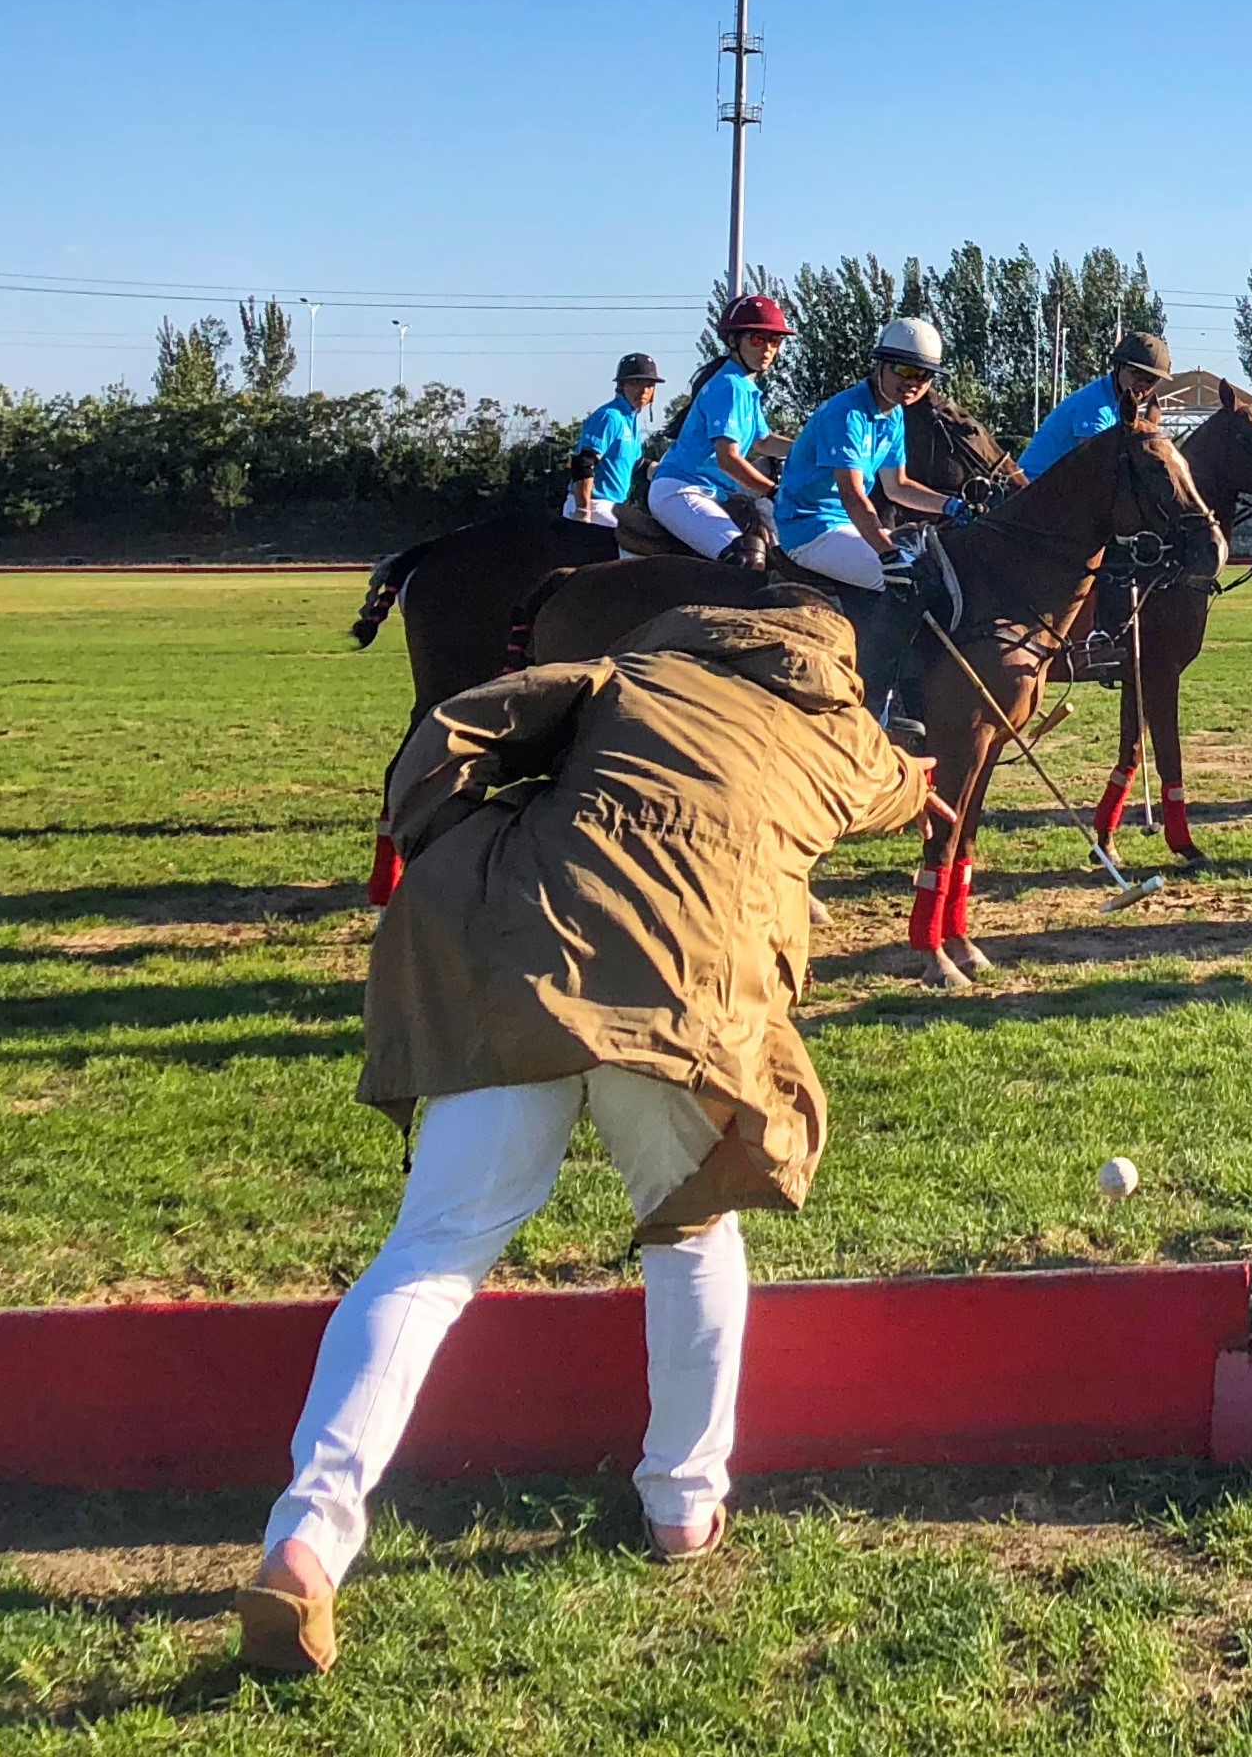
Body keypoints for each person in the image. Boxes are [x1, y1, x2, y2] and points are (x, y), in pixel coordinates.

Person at [232, 602, 941, 1678]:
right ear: (833, 668)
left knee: (429, 1257)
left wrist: (456, 834)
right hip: (689, 1000)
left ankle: (307, 1534)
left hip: (525, 958)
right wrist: (920, 784)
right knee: (691, 1230)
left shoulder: (631, 677)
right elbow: (901, 791)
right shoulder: (839, 733)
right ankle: (682, 1507)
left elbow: (457, 729)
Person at [771, 319, 966, 595]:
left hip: (847, 526)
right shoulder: (846, 414)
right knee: (915, 582)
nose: (913, 382)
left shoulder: (894, 414)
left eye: (923, 374)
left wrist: (953, 506)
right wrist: (887, 554)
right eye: (904, 369)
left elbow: (897, 486)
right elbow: (851, 494)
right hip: (810, 531)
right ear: (879, 366)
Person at [647, 297, 791, 561]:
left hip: (711, 493)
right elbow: (728, 459)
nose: (768, 349)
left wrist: (812, 450)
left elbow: (764, 442)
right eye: (758, 340)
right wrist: (774, 492)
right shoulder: (730, 386)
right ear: (734, 341)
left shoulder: (745, 387)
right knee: (744, 558)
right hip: (682, 492)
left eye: (776, 341)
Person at [1018, 329, 1176, 479]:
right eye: (1137, 374)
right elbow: (1094, 468)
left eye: (1151, 379)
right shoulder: (1095, 405)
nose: (1142, 384)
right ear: (1118, 367)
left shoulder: (1117, 404)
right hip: (1033, 489)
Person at [565, 354, 660, 528]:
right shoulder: (609, 417)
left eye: (649, 385)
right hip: (594, 505)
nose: (644, 391)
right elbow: (584, 463)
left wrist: (667, 473)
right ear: (622, 386)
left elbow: (637, 466)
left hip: (614, 506)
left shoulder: (631, 420)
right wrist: (583, 510)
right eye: (635, 383)